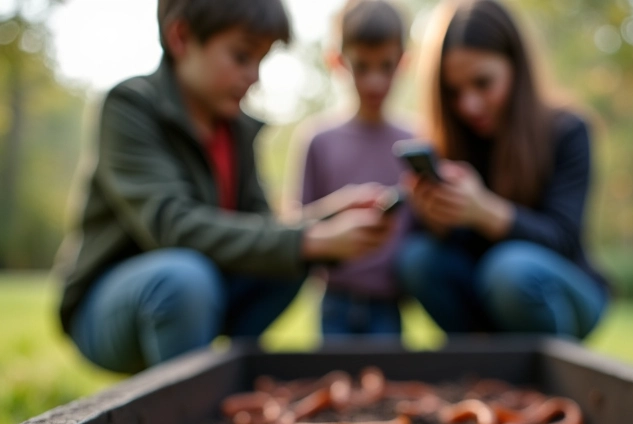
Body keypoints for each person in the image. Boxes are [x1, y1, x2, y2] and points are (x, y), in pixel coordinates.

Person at [56, 0, 392, 374]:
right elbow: (173, 227)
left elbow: (265, 230)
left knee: (290, 258)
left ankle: (229, 378)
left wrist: (328, 217)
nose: (254, 77)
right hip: (115, 305)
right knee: (183, 278)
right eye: (241, 57)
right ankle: (183, 412)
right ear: (181, 37)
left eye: (261, 61)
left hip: (204, 288)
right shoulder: (131, 107)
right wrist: (310, 237)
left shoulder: (235, 130)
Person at [397, 0, 609, 338]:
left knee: (510, 270)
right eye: (454, 91)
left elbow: (566, 240)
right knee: (418, 258)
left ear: (516, 67)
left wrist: (485, 212)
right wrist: (437, 220)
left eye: (483, 83)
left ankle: (552, 371)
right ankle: (480, 364)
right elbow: (430, 258)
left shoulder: (568, 131)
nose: (469, 104)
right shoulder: (450, 141)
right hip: (485, 294)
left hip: (563, 287)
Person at [297, 0, 412, 338]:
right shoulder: (318, 140)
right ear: (337, 61)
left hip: (388, 302)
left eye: (385, 66)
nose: (374, 81)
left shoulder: (415, 140)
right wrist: (336, 214)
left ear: (403, 62)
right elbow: (294, 224)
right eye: (362, 66)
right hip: (335, 299)